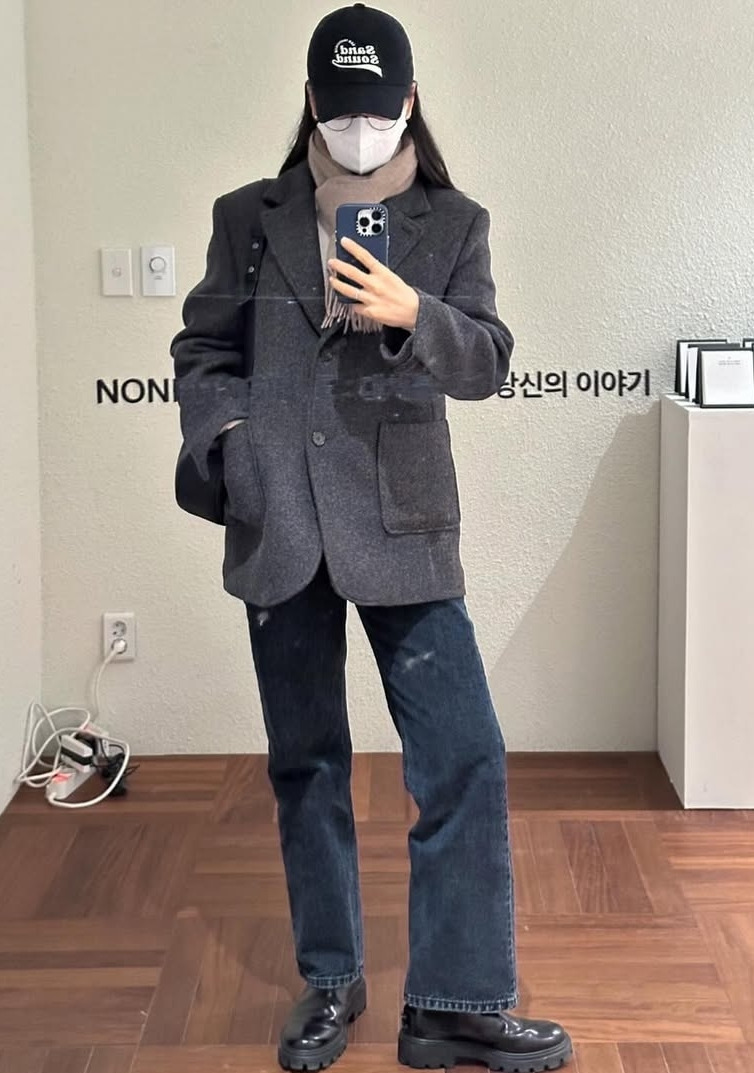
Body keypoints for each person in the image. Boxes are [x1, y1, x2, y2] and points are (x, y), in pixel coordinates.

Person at [170, 4, 574, 1071]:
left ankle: (454, 1004)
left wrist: (412, 312)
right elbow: (202, 349)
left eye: (378, 110)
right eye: (341, 110)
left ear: (409, 103)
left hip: (403, 521)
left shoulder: (455, 222)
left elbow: (486, 362)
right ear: (313, 103)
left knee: (463, 754)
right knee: (306, 763)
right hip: (280, 519)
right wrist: (231, 446)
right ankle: (331, 979)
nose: (359, 129)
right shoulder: (248, 217)